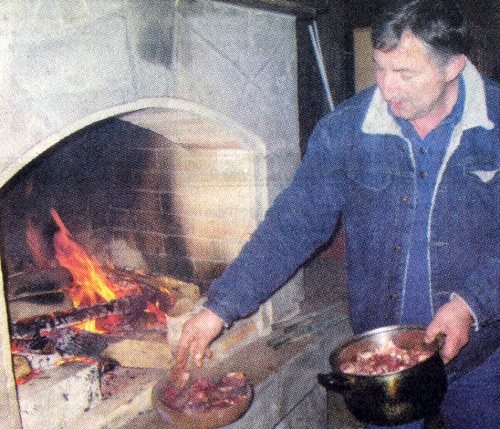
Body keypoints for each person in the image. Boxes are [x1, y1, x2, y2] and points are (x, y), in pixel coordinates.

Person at [176, 1, 499, 428]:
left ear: (454, 66)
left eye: (405, 73)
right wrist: (219, 307)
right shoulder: (345, 129)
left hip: (480, 350)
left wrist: (471, 304)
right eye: (380, 68)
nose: (387, 87)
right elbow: (293, 224)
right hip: (383, 359)